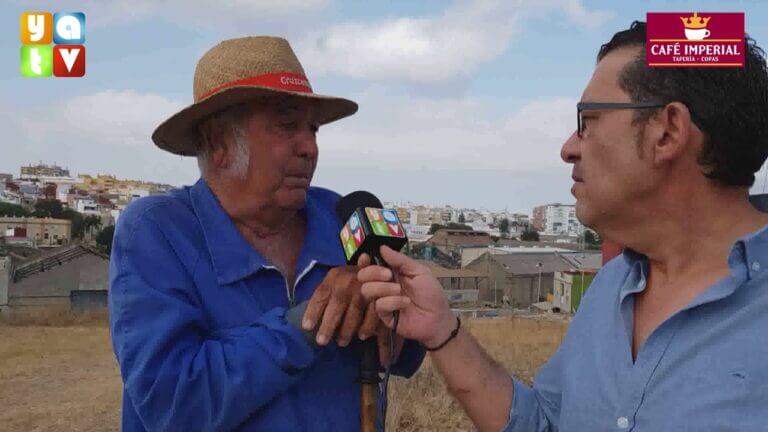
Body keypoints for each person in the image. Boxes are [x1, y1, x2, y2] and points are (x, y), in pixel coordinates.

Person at [359, 21, 768, 431]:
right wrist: (442, 330)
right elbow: (545, 424)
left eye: (587, 120)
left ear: (668, 131)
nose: (568, 148)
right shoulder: (610, 291)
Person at [108, 36, 423, 432]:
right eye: (287, 126)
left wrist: (390, 313)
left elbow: (407, 354)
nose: (309, 147)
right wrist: (310, 321)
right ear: (219, 143)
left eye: (313, 129)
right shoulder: (157, 231)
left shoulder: (340, 216)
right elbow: (172, 402)